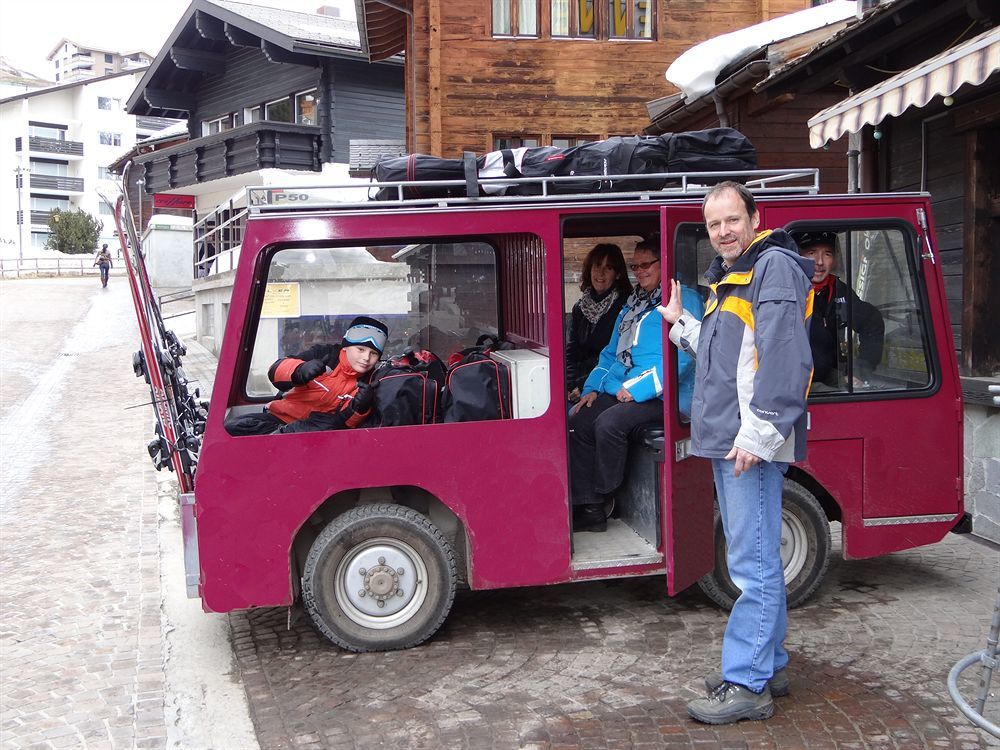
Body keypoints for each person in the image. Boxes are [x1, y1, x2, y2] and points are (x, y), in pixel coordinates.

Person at [658, 182, 814, 724]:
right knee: (758, 554)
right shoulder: (735, 275)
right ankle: (767, 663)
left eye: (731, 220)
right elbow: (725, 357)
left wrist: (760, 433)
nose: (723, 231)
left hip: (749, 443)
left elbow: (786, 356)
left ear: (752, 216)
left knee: (751, 563)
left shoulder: (771, 267)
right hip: (733, 441)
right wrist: (680, 322)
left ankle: (748, 683)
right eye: (713, 225)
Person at [568, 239, 665, 533]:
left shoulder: (678, 300)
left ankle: (607, 495)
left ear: (664, 263)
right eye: (636, 266)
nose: (640, 271)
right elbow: (609, 354)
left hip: (662, 395)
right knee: (580, 418)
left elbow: (682, 361)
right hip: (622, 386)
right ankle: (591, 508)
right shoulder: (633, 305)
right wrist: (590, 389)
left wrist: (636, 390)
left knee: (609, 423)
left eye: (646, 265)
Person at [225, 316, 387, 436]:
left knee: (329, 424)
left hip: (314, 430)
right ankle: (278, 438)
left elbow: (346, 424)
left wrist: (360, 409)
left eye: (373, 353)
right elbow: (275, 370)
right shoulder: (325, 355)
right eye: (360, 350)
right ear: (346, 348)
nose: (366, 358)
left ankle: (277, 440)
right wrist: (299, 371)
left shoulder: (369, 381)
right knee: (232, 427)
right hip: (280, 418)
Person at [794, 231, 884, 388]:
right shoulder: (788, 290)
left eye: (827, 254)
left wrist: (860, 371)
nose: (819, 262)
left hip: (832, 376)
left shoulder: (838, 290)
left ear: (835, 260)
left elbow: (872, 322)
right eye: (811, 253)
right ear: (798, 256)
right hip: (798, 381)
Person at [565, 243, 632, 403]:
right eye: (596, 266)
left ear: (617, 274)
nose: (600, 273)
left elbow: (616, 356)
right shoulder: (579, 308)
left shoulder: (626, 306)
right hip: (577, 383)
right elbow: (571, 352)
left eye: (608, 268)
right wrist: (569, 385)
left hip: (608, 382)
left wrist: (583, 385)